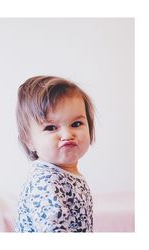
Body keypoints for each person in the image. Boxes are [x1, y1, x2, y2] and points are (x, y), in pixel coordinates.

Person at [15, 76, 95, 232]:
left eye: (76, 124)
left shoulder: (65, 173)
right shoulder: (46, 182)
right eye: (51, 128)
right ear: (29, 140)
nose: (67, 135)